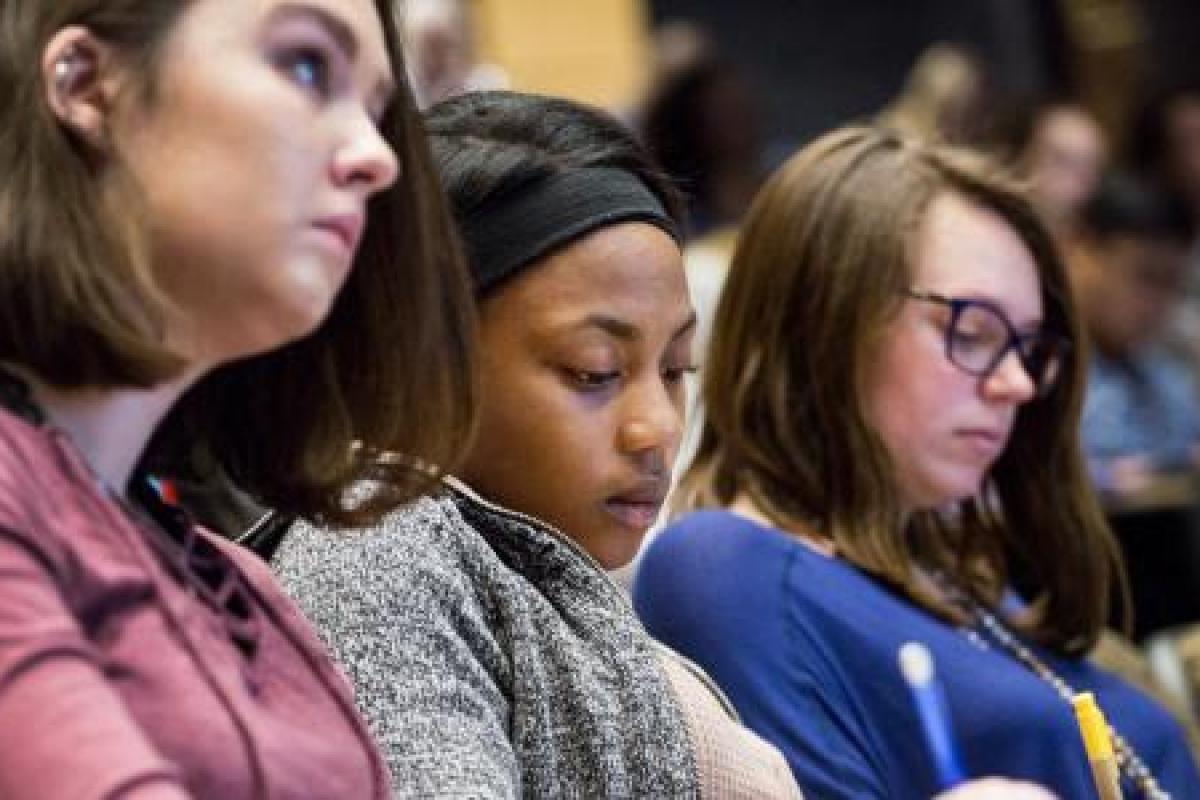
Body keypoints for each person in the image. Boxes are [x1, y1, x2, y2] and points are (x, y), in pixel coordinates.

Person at [634, 126, 1200, 799]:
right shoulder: (720, 565)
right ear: (826, 327)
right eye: (974, 332)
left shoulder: (948, 564)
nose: (1017, 383)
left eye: (1024, 345)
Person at [0, 0, 475, 797]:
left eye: (376, 107)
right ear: (86, 84)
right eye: (304, 65)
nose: (376, 156)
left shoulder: (236, 578)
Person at [274, 89, 805, 798]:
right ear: (421, 359)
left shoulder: (536, 575)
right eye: (595, 372)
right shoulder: (376, 544)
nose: (659, 426)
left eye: (678, 370)